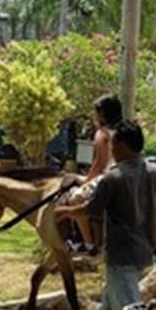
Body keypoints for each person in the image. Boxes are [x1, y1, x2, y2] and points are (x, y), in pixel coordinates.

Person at [54, 120, 156, 310]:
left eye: (113, 144)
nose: (110, 149)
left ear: (122, 145)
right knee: (111, 301)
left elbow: (91, 209)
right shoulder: (153, 171)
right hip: (145, 249)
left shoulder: (113, 178)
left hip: (121, 252)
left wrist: (65, 212)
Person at [63, 94, 123, 252]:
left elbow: (99, 164)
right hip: (126, 173)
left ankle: (88, 243)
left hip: (109, 176)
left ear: (102, 113)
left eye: (95, 111)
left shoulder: (101, 134)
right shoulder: (124, 130)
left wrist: (86, 180)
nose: (93, 115)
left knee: (75, 198)